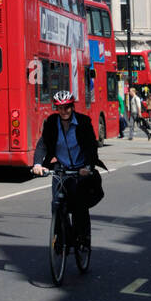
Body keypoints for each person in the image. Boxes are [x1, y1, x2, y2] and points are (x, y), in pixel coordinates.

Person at [31, 91, 107, 251]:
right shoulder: (52, 122)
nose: (63, 111)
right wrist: (38, 164)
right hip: (61, 168)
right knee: (56, 205)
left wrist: (88, 167)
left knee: (79, 205)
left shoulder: (83, 122)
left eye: (67, 108)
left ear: (72, 107)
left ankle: (84, 238)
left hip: (80, 169)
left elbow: (91, 147)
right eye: (60, 108)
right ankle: (61, 237)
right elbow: (42, 145)